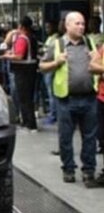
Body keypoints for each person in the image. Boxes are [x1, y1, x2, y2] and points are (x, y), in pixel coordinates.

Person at [40, 11, 100, 187]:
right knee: (65, 137)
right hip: (66, 99)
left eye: (83, 24)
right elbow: (42, 66)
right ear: (67, 26)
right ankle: (68, 169)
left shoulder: (90, 43)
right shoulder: (57, 44)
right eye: (77, 24)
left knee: (90, 137)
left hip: (89, 98)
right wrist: (56, 62)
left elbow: (98, 65)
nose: (81, 27)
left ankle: (89, 170)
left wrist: (96, 60)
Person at [1, 16, 38, 131]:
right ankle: (30, 122)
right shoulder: (32, 37)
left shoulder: (22, 38)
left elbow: (19, 56)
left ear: (21, 26)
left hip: (22, 71)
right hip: (31, 70)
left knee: (23, 98)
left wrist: (6, 56)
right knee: (29, 98)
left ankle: (28, 123)